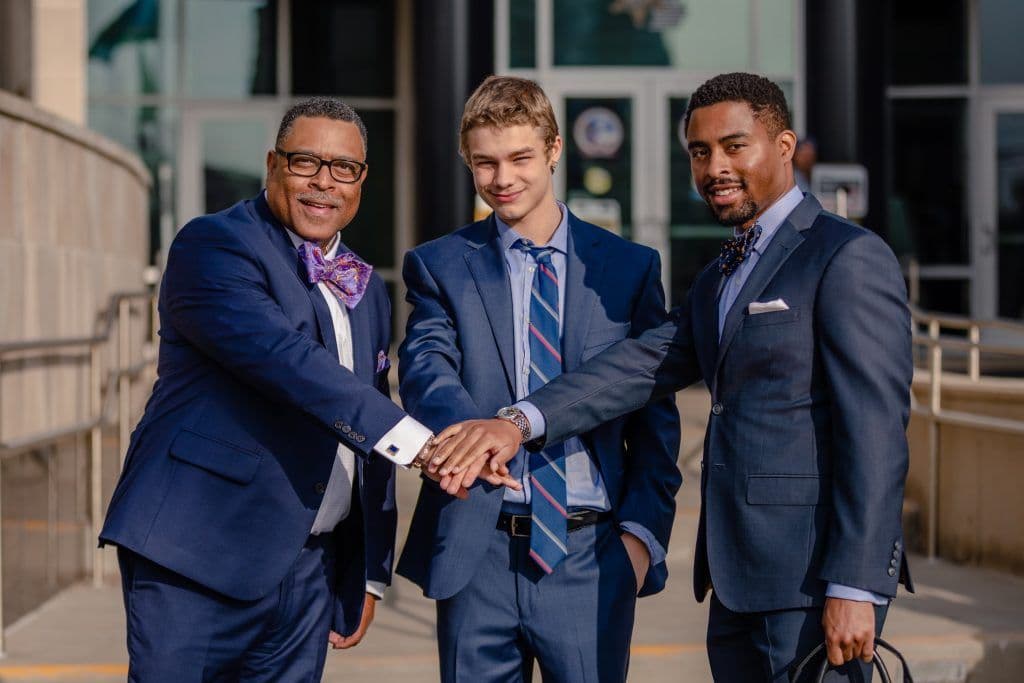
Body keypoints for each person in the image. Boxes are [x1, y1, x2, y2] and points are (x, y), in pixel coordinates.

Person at [431, 73, 914, 681]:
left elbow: (876, 433)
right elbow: (639, 366)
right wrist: (520, 422)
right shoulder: (721, 275)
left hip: (812, 585)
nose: (716, 167)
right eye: (700, 151)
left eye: (734, 146)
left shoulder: (845, 255)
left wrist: (857, 584)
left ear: (785, 146)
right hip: (736, 584)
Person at [99, 97, 515, 682]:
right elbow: (290, 363)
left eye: (344, 168)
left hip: (309, 572)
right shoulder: (214, 246)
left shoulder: (365, 288)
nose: (324, 182)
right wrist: (423, 446)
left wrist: (369, 571)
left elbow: (366, 426)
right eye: (305, 163)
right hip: (197, 554)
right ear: (273, 165)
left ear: (362, 181)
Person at [396, 75, 682, 683]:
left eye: (520, 158)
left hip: (591, 554)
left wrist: (639, 539)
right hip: (478, 550)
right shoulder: (440, 264)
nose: (502, 178)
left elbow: (655, 416)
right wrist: (473, 438)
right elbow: (425, 367)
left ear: (553, 150)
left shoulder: (627, 268)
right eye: (485, 163)